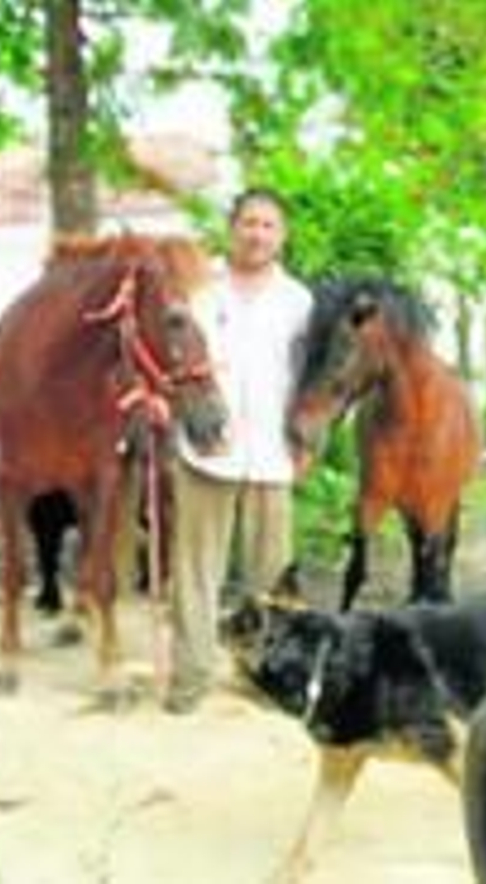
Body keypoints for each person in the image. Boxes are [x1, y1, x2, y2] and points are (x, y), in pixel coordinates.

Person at [166, 187, 314, 714]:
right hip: (205, 452)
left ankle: (268, 680)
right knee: (195, 572)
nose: (257, 233)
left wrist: (307, 440)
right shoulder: (198, 292)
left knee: (271, 578)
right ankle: (190, 680)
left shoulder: (300, 301)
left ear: (282, 236)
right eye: (249, 222)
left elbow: (309, 381)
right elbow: (172, 363)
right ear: (232, 228)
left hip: (272, 454)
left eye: (269, 225)